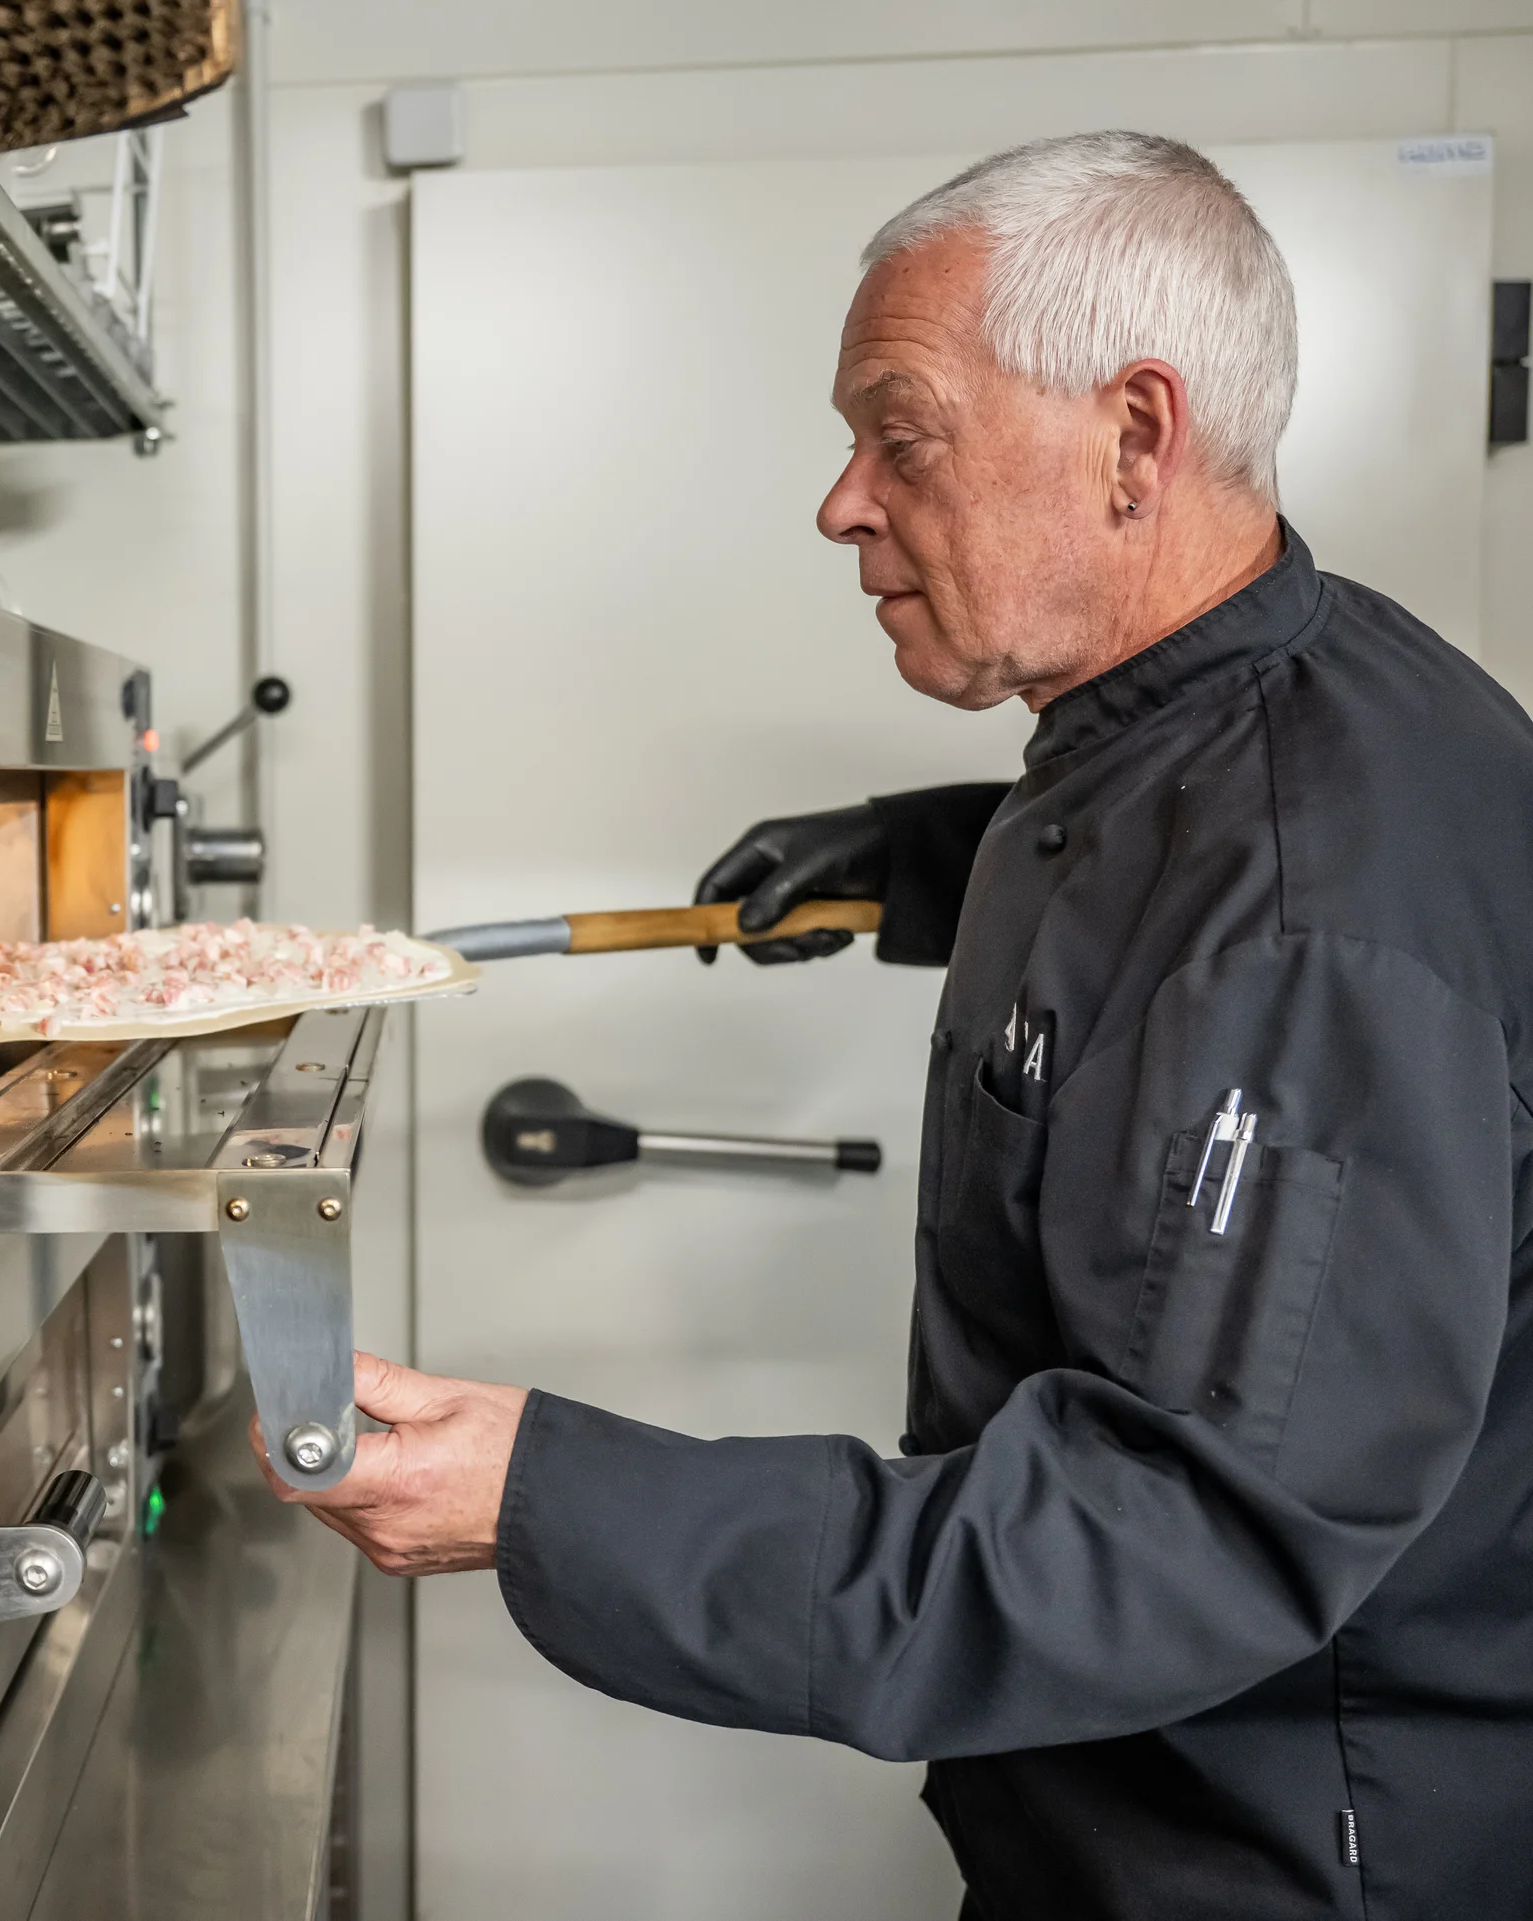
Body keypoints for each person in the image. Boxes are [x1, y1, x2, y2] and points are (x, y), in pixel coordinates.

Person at [253, 132, 1533, 1918]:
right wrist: (915, 860)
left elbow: (1177, 1543)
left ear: (1136, 438)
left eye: (902, 437)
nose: (843, 503)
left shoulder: (1320, 922)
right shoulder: (1266, 695)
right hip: (1116, 1806)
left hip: (1271, 1859)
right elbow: (1173, 885)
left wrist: (547, 1498)